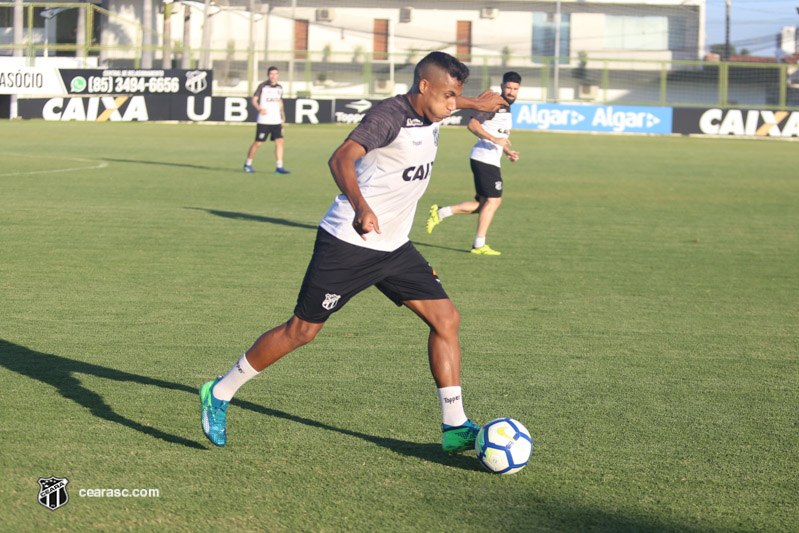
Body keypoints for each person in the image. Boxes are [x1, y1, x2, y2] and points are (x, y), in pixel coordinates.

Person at [201, 51, 506, 454]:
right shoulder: (388, 117)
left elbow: (448, 102)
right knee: (302, 332)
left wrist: (476, 103)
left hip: (394, 247)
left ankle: (454, 426)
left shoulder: (433, 108)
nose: (453, 105)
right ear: (424, 86)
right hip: (349, 242)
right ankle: (219, 392)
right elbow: (341, 157)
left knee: (446, 318)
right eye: (448, 95)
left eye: (458, 97)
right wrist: (362, 206)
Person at [426, 71, 522, 256]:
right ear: (502, 86)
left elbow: (498, 136)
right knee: (494, 201)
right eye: (508, 87)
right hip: (483, 159)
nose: (511, 92)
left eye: (515, 89)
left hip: (489, 159)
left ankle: (441, 213)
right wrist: (495, 139)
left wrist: (507, 150)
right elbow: (473, 124)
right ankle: (479, 245)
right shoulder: (494, 104)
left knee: (483, 204)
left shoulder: (506, 108)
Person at [243, 66, 291, 175]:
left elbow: (280, 102)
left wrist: (282, 116)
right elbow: (254, 99)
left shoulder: (279, 88)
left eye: (275, 74)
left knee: (280, 141)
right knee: (258, 143)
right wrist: (259, 108)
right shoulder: (263, 86)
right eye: (271, 74)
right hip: (264, 120)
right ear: (268, 75)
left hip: (276, 120)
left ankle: (279, 167)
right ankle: (248, 164)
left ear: (278, 75)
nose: (273, 76)